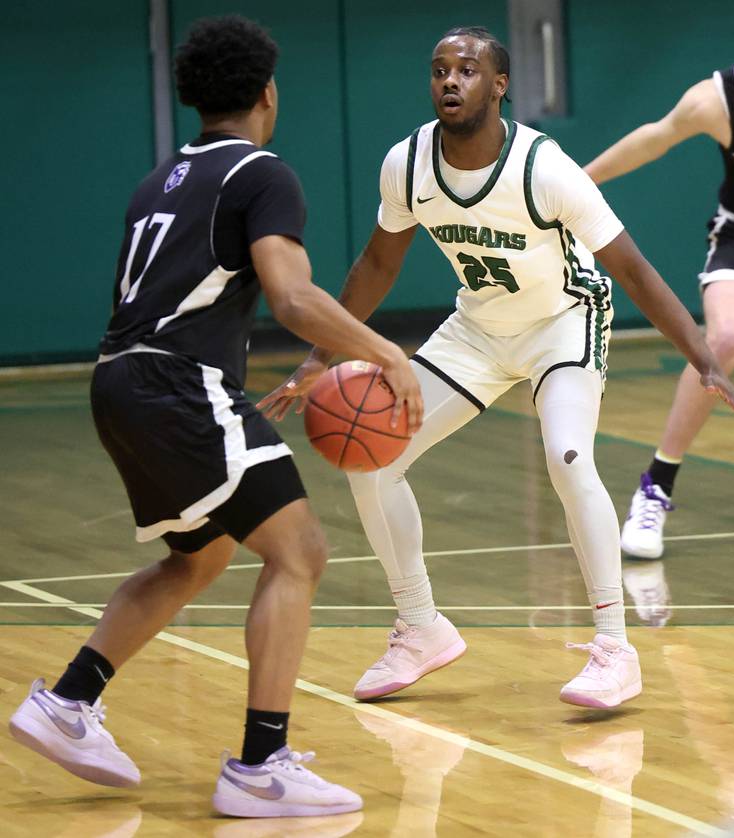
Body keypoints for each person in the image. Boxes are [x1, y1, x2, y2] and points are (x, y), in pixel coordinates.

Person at [262, 25, 734, 709]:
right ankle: (419, 627)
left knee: (566, 456)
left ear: (498, 85)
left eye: (466, 70)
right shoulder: (407, 164)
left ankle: (615, 650)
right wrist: (319, 358)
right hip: (478, 328)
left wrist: (704, 359)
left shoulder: (544, 169)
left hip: (564, 322)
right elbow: (377, 265)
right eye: (439, 69)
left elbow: (633, 269)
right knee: (373, 463)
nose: (449, 80)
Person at [8, 15, 423, 819]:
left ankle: (67, 702)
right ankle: (261, 764)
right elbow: (294, 298)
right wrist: (389, 354)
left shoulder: (158, 181)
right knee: (299, 550)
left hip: (118, 381)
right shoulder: (264, 174)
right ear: (268, 93)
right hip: (176, 383)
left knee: (196, 560)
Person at [584, 0, 734, 559]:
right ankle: (656, 486)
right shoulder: (716, 101)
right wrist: (579, 182)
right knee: (724, 338)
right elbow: (654, 138)